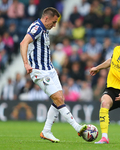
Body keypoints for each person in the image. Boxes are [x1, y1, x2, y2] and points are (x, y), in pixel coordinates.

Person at [20, 7, 87, 143]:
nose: (54, 25)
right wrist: (26, 64)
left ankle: (46, 131)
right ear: (46, 18)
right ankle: (77, 127)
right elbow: (23, 43)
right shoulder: (37, 27)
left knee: (60, 99)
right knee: (57, 98)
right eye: (54, 22)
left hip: (49, 69)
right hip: (39, 71)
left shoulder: (44, 29)